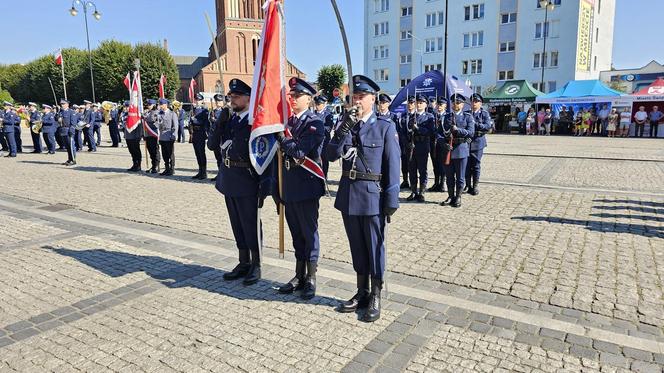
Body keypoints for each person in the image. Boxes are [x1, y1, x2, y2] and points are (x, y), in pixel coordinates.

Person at [327, 75, 400, 323]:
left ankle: (376, 293)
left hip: (372, 197)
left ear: (373, 99)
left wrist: (391, 201)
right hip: (349, 195)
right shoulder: (345, 124)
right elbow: (329, 155)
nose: (357, 101)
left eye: (361, 97)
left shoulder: (384, 127)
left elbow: (392, 165)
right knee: (357, 247)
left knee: (374, 248)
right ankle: (362, 291)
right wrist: (342, 129)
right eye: (354, 97)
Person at [211, 78, 271, 286]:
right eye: (230, 96)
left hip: (247, 179)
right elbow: (211, 145)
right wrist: (220, 121)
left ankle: (257, 264)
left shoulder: (256, 122)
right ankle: (243, 261)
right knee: (237, 223)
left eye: (236, 97)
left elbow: (266, 154)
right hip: (229, 178)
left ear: (248, 98)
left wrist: (265, 184)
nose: (232, 100)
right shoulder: (229, 119)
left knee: (250, 224)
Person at [275, 77, 325, 300]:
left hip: (307, 186)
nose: (293, 99)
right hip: (289, 185)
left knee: (309, 233)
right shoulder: (288, 123)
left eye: (297, 96)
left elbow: (299, 151)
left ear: (308, 98)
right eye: (291, 96)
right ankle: (299, 275)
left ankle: (311, 277)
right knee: (296, 234)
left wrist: (282, 139)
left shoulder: (315, 123)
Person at [439, 94, 474, 208]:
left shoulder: (467, 117)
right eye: (454, 102)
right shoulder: (445, 117)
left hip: (461, 150)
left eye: (458, 102)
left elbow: (471, 132)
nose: (455, 104)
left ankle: (458, 197)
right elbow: (438, 133)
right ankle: (450, 196)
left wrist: (458, 130)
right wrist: (443, 144)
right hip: (447, 151)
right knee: (449, 176)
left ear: (462, 104)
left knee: (460, 177)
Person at [406, 95, 434, 202]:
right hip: (412, 146)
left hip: (422, 145)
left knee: (422, 170)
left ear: (426, 104)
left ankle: (421, 192)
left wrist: (418, 128)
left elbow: (430, 131)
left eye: (421, 102)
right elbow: (406, 131)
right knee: (412, 170)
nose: (419, 104)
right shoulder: (411, 116)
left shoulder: (429, 117)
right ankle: (413, 191)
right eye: (418, 102)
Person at [466, 93, 493, 196]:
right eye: (472, 101)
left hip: (478, 142)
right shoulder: (467, 113)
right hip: (467, 142)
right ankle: (468, 185)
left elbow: (487, 127)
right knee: (467, 165)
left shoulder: (484, 114)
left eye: (476, 101)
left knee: (476, 165)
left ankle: (475, 185)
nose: (474, 103)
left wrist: (475, 124)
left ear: (480, 103)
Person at [314, 95, 337, 178]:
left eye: (319, 104)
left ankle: (324, 177)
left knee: (324, 160)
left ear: (324, 104)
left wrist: (317, 128)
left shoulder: (328, 115)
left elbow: (328, 128)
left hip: (324, 142)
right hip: (314, 142)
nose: (317, 106)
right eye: (316, 104)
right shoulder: (313, 114)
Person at [429, 97, 448, 193]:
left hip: (443, 144)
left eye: (441, 105)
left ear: (445, 106)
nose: (439, 106)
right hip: (433, 143)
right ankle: (436, 183)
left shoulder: (447, 116)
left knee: (442, 164)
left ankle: (442, 183)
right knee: (435, 163)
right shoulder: (433, 116)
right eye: (438, 105)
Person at [190, 93, 210, 179]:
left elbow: (205, 122)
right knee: (197, 153)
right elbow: (191, 122)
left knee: (201, 153)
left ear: (202, 101)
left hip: (201, 132)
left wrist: (195, 120)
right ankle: (200, 170)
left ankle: (204, 172)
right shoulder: (193, 110)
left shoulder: (204, 110)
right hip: (194, 133)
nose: (197, 101)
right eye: (196, 100)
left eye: (199, 100)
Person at [398, 96, 416, 189]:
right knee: (404, 163)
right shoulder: (403, 116)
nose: (410, 105)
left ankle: (414, 184)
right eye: (409, 103)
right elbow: (401, 130)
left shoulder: (417, 116)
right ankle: (405, 181)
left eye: (412, 103)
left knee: (413, 164)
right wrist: (405, 142)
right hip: (405, 144)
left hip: (415, 144)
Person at [157, 98, 178, 176]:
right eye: (160, 105)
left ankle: (172, 168)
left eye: (161, 105)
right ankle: (166, 168)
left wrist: (174, 136)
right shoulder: (160, 114)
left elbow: (175, 126)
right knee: (164, 153)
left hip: (169, 136)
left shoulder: (172, 114)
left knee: (170, 153)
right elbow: (157, 124)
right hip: (162, 136)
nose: (160, 106)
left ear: (165, 105)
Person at [210, 94, 227, 181]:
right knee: (217, 157)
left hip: (222, 137)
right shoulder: (212, 112)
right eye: (216, 101)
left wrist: (216, 121)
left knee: (223, 157)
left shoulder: (225, 112)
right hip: (216, 137)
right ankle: (219, 173)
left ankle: (224, 175)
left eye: (219, 101)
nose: (218, 103)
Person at [123, 101, 143, 172]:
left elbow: (139, 126)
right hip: (128, 136)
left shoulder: (135, 115)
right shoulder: (125, 114)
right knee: (131, 151)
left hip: (134, 136)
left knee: (136, 151)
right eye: (125, 107)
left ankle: (138, 165)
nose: (126, 108)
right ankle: (134, 164)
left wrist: (138, 136)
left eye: (127, 106)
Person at [56, 99, 76, 165]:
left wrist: (71, 131)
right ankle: (69, 159)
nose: (62, 105)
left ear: (67, 104)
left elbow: (73, 123)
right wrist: (57, 112)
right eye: (61, 104)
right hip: (63, 130)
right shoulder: (61, 112)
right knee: (67, 147)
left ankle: (73, 160)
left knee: (71, 146)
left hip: (68, 130)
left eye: (63, 104)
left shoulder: (71, 112)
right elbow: (56, 119)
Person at [143, 99, 161, 173]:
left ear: (154, 105)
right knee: (150, 151)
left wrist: (144, 117)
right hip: (148, 134)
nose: (148, 106)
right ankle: (153, 165)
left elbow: (154, 121)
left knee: (155, 151)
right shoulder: (148, 112)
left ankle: (156, 166)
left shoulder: (157, 112)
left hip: (154, 134)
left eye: (150, 105)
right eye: (148, 105)